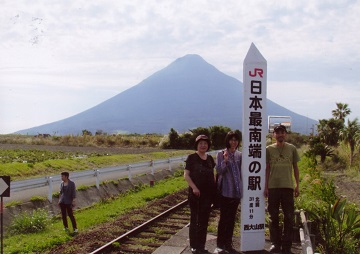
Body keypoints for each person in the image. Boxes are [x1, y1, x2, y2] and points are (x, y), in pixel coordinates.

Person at [264, 125, 300, 254]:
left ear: (286, 134)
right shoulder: (268, 149)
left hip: (288, 187)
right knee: (273, 217)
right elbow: (267, 168)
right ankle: (275, 244)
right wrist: (266, 186)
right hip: (273, 187)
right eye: (277, 132)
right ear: (273, 135)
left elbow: (295, 168)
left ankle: (287, 246)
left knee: (289, 217)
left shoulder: (292, 148)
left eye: (282, 132)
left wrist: (297, 185)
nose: (280, 135)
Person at [184, 134, 216, 254]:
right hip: (196, 194)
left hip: (208, 194)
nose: (203, 145)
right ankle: (194, 245)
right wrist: (194, 188)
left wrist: (215, 190)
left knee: (204, 220)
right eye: (201, 143)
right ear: (197, 145)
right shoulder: (191, 158)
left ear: (208, 146)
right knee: (195, 219)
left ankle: (201, 246)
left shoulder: (210, 159)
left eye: (205, 143)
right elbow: (186, 175)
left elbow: (213, 175)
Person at [214, 131, 243, 254]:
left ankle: (228, 244)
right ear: (227, 140)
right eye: (231, 139)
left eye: (236, 140)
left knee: (231, 219)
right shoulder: (221, 154)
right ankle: (220, 245)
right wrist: (225, 161)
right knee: (224, 219)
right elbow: (219, 171)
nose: (233, 142)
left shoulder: (240, 155)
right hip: (225, 191)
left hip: (236, 192)